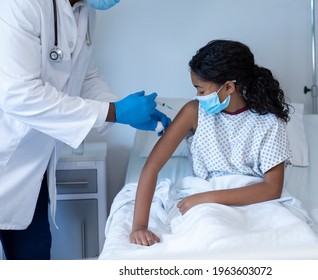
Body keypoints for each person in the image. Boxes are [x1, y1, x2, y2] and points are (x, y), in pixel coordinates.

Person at [0, 0, 171, 259]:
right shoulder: (21, 4)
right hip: (6, 151)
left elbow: (84, 77)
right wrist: (115, 112)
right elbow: (17, 94)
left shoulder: (84, 12)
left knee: (32, 258)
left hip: (31, 172)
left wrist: (119, 112)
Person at [129, 39, 291, 246]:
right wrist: (139, 227)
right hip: (208, 206)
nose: (197, 96)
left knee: (281, 239)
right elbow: (152, 166)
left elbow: (271, 190)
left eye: (202, 90)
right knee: (213, 234)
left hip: (255, 202)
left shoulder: (269, 122)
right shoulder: (194, 112)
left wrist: (206, 198)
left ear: (229, 87)